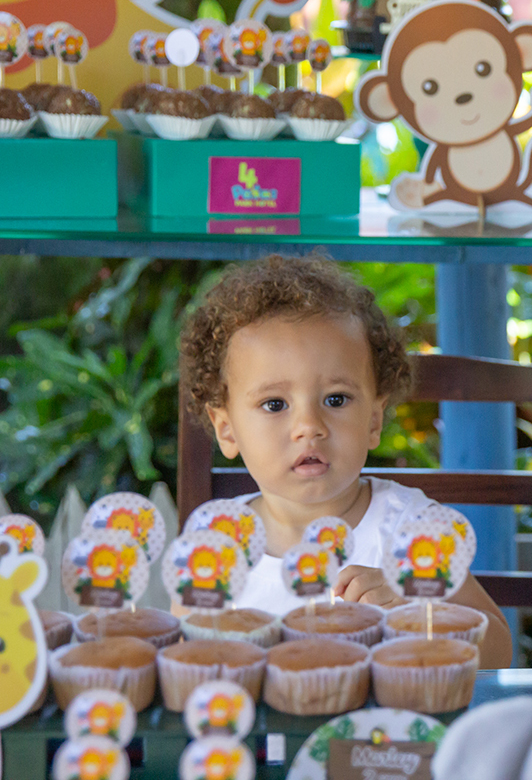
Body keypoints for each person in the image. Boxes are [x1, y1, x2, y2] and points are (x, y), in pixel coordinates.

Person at [179, 255, 511, 668]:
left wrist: (418, 610)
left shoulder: (412, 530)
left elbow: (499, 652)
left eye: (335, 399)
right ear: (227, 429)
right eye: (275, 404)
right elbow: (185, 658)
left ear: (374, 420)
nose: (309, 426)